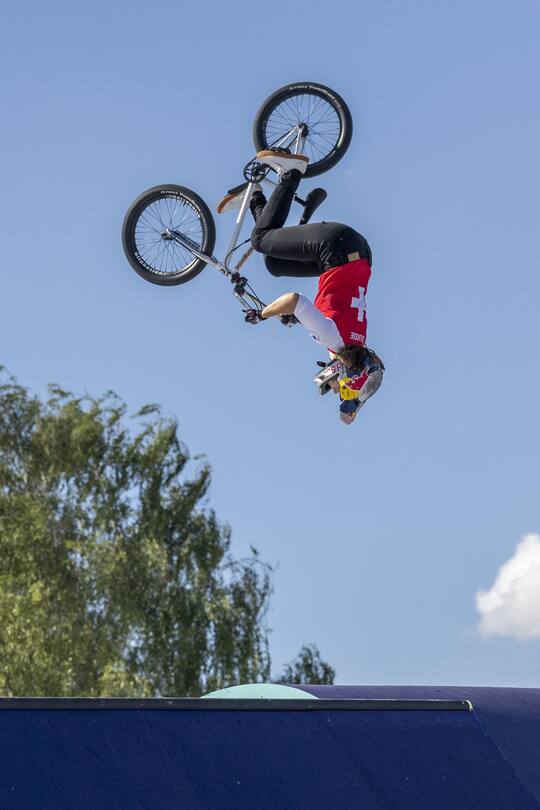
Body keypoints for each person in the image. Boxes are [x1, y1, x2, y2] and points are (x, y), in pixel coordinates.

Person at [217, 150, 384, 424]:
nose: (329, 387)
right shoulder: (333, 339)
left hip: (352, 254)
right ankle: (292, 172)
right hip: (336, 248)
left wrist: (295, 318)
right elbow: (295, 299)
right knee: (260, 240)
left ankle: (254, 197)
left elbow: (333, 305)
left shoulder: (352, 340)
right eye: (335, 389)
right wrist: (262, 315)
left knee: (273, 263)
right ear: (344, 375)